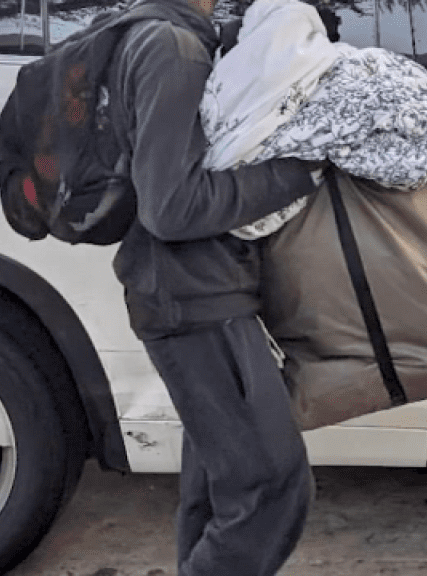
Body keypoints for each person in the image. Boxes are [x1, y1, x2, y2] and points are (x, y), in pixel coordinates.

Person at [104, 0, 322, 573]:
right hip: (195, 300)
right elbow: (171, 208)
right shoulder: (172, 50)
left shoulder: (172, 36)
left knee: (221, 491)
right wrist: (297, 172)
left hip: (194, 292)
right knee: (270, 487)